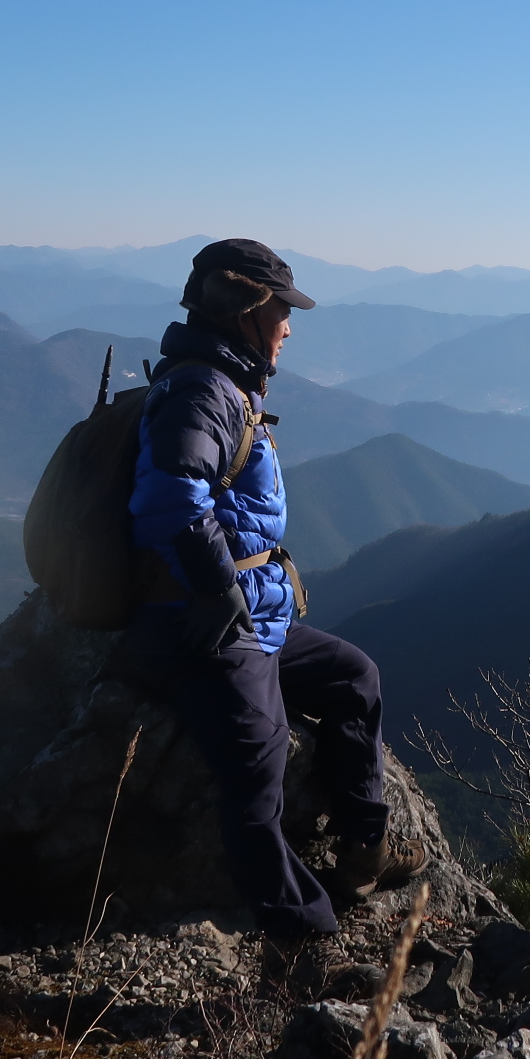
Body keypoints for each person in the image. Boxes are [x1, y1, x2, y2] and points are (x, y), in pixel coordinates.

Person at [120, 238, 424, 942]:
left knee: (353, 677)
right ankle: (305, 937)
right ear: (247, 312)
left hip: (250, 614)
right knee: (257, 771)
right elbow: (169, 497)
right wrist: (217, 588)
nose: (289, 326)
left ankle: (365, 850)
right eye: (282, 310)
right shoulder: (203, 391)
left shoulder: (224, 386)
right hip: (200, 620)